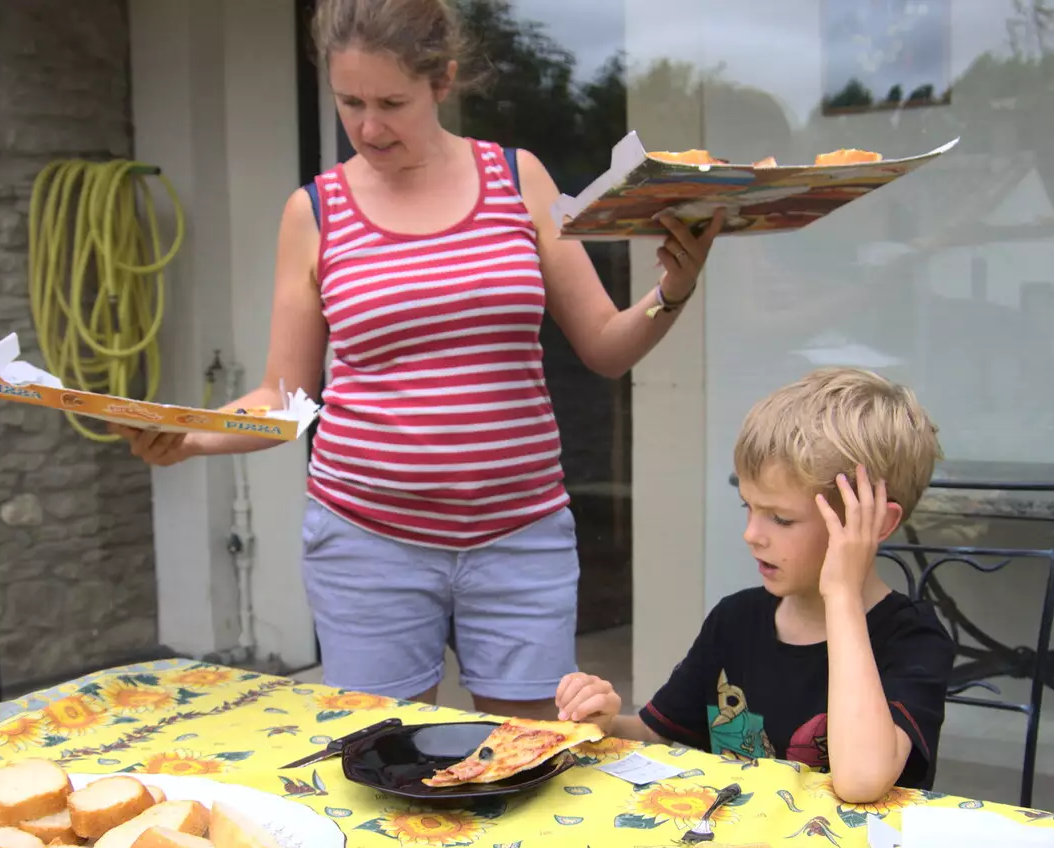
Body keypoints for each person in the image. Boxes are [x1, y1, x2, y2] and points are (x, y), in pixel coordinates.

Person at [113, 0, 723, 721]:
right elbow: (284, 400)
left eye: (392, 102)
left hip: (520, 537)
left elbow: (605, 346)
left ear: (444, 80)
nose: (369, 127)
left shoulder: (517, 178)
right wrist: (188, 438)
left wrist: (672, 291)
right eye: (350, 103)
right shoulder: (315, 212)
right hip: (366, 543)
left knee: (527, 759)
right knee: (385, 764)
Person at [555, 368, 955, 801]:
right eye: (749, 507)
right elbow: (656, 733)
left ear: (875, 523)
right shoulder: (735, 620)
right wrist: (607, 723)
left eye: (780, 518)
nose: (751, 534)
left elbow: (861, 780)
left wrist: (840, 593)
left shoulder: (912, 638)